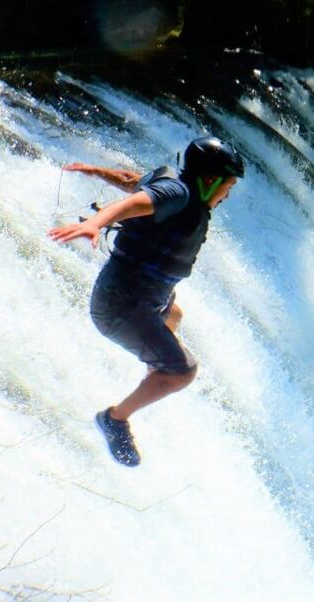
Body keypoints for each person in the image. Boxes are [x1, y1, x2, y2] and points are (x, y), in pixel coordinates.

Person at [47, 136, 244, 466]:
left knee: (175, 314)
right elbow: (131, 205)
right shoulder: (179, 194)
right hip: (120, 307)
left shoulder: (171, 183)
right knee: (183, 371)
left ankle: (156, 367)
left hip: (143, 299)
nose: (228, 194)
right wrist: (95, 223)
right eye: (228, 185)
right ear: (210, 180)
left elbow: (133, 183)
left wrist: (96, 170)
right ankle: (115, 419)